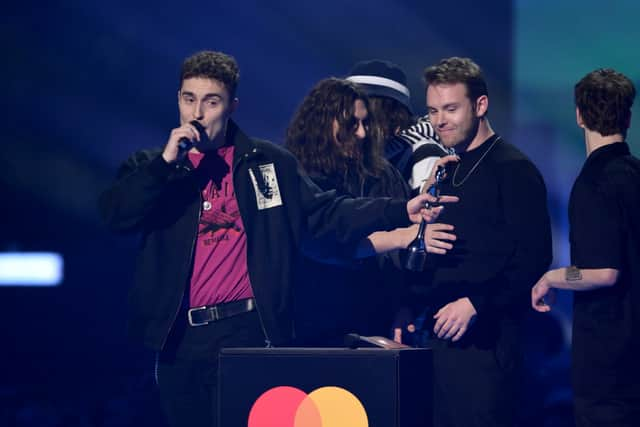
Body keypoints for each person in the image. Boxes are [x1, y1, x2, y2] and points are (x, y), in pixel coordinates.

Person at [98, 51, 452, 427]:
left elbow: (325, 213)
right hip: (181, 338)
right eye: (189, 99)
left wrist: (401, 211)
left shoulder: (266, 163)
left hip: (249, 332)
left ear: (231, 106)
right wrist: (164, 164)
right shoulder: (155, 168)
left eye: (211, 101)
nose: (197, 113)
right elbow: (116, 215)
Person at [417, 57, 552, 426]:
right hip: (439, 344)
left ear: (480, 105)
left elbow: (534, 256)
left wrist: (477, 303)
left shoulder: (513, 169)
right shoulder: (447, 169)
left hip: (490, 348)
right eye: (432, 110)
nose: (439, 120)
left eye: (450, 109)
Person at [285, 77, 450, 344]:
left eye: (365, 123)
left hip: (374, 318)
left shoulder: (382, 174)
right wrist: (399, 235)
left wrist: (403, 306)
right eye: (352, 124)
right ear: (322, 124)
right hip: (311, 324)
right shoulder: (296, 174)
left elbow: (401, 259)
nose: (362, 133)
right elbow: (324, 243)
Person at [532, 68, 639, 426]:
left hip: (608, 362)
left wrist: (554, 277)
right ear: (628, 115)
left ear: (579, 115)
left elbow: (602, 272)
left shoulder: (593, 183)